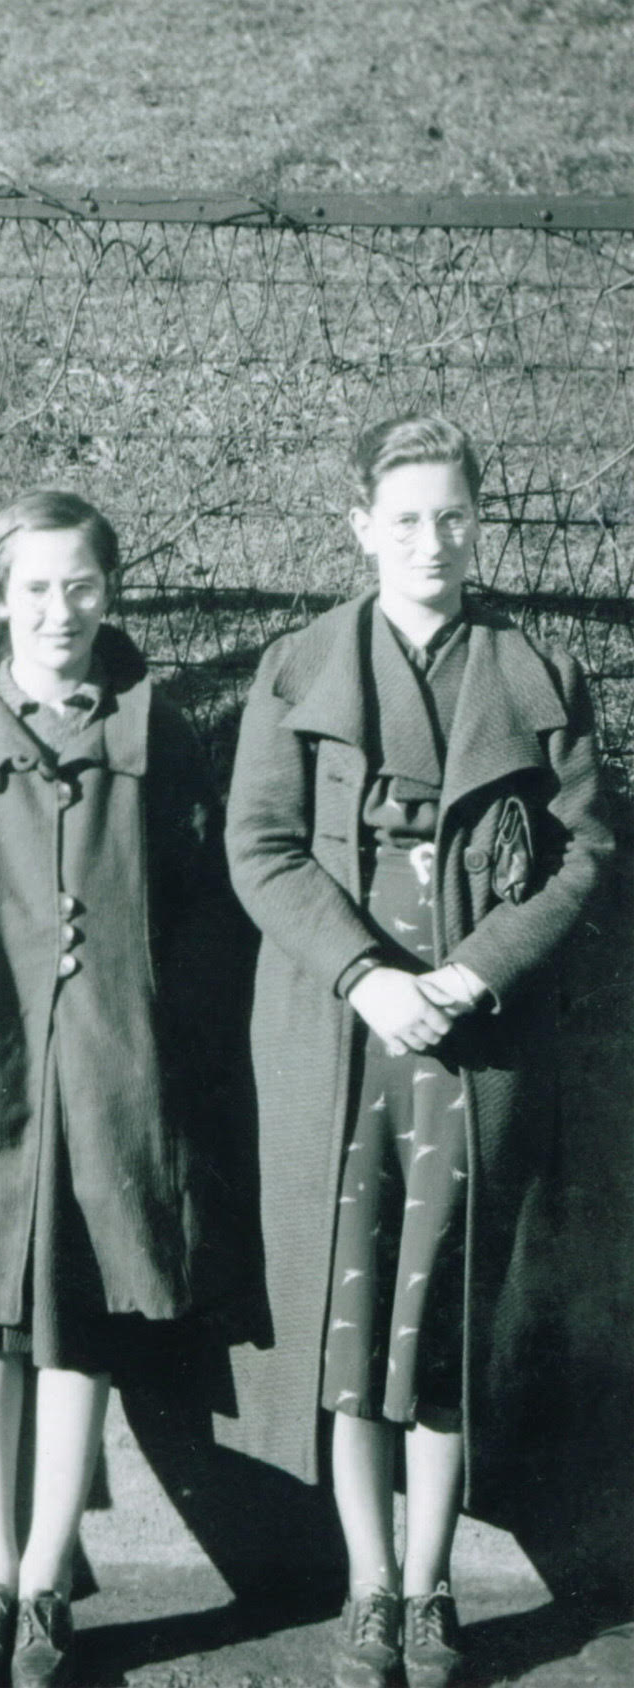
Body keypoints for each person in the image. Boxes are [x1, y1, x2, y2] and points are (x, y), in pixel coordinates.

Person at [224, 416, 613, 1688]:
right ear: (360, 526)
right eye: (405, 519)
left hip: (474, 1043)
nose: (432, 542)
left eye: (453, 515)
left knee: (441, 1319)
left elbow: (584, 854)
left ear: (478, 520)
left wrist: (467, 972)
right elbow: (262, 847)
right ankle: (368, 1590)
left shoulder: (537, 671)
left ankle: (434, 1584)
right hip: (343, 1043)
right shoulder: (298, 667)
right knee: (349, 1322)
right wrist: (365, 978)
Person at [0, 490, 263, 1688]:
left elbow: (210, 903)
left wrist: (146, 999)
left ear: (112, 592)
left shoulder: (163, 735)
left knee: (76, 1321)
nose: (60, 609)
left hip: (110, 1068)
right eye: (34, 587)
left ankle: (47, 1579)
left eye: (82, 584)